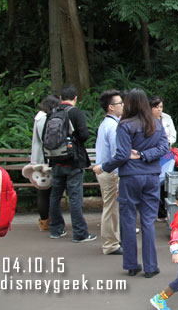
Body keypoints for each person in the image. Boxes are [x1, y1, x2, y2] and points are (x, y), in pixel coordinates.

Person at [93, 89, 169, 278]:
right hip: (151, 176)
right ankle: (151, 267)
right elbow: (164, 148)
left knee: (127, 220)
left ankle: (131, 264)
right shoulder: (156, 124)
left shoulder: (125, 125)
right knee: (148, 222)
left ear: (129, 104)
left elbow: (121, 155)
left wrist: (104, 167)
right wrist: (146, 156)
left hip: (130, 177)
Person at [48, 84, 97, 242]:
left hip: (56, 160)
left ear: (61, 98)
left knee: (55, 196)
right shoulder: (75, 112)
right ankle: (80, 233)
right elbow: (84, 135)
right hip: (73, 161)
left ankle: (56, 230)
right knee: (75, 197)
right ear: (75, 98)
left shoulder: (53, 112)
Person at [94, 89, 124, 255]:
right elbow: (116, 155)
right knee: (110, 209)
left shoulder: (107, 123)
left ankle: (113, 241)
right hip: (110, 171)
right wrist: (119, 176)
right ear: (111, 107)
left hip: (104, 170)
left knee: (110, 207)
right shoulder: (113, 126)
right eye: (120, 103)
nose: (123, 105)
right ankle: (110, 244)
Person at [29, 95, 60, 231]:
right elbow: (46, 139)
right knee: (45, 191)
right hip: (44, 161)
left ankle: (45, 220)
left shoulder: (39, 117)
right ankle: (46, 222)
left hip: (39, 159)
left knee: (43, 191)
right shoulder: (43, 118)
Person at [150, 95, 177, 222]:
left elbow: (173, 135)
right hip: (152, 154)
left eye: (161, 107)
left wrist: (167, 142)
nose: (159, 110)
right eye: (156, 107)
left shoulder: (167, 118)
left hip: (166, 154)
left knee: (165, 183)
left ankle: (162, 212)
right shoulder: (146, 120)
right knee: (154, 182)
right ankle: (153, 210)